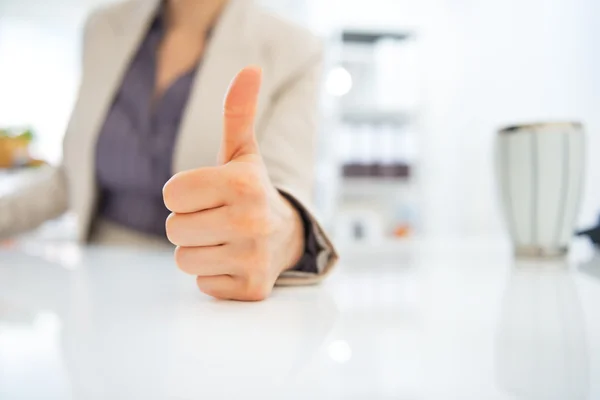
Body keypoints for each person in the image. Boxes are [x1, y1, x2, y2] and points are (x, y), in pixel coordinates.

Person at [0, 0, 337, 300]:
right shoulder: (102, 27)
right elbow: (70, 177)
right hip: (89, 288)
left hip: (199, 294)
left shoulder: (294, 49)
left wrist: (286, 238)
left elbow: (280, 199)